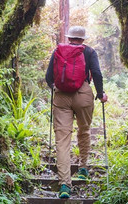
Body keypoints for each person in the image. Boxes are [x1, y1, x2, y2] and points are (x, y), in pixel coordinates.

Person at [45, 25, 108, 199]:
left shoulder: (58, 51)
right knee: (84, 130)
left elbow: (49, 77)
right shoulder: (89, 52)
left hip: (61, 97)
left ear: (69, 37)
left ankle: (64, 184)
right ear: (83, 39)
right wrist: (101, 93)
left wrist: (55, 88)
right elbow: (96, 73)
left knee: (62, 140)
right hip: (83, 94)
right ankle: (82, 168)